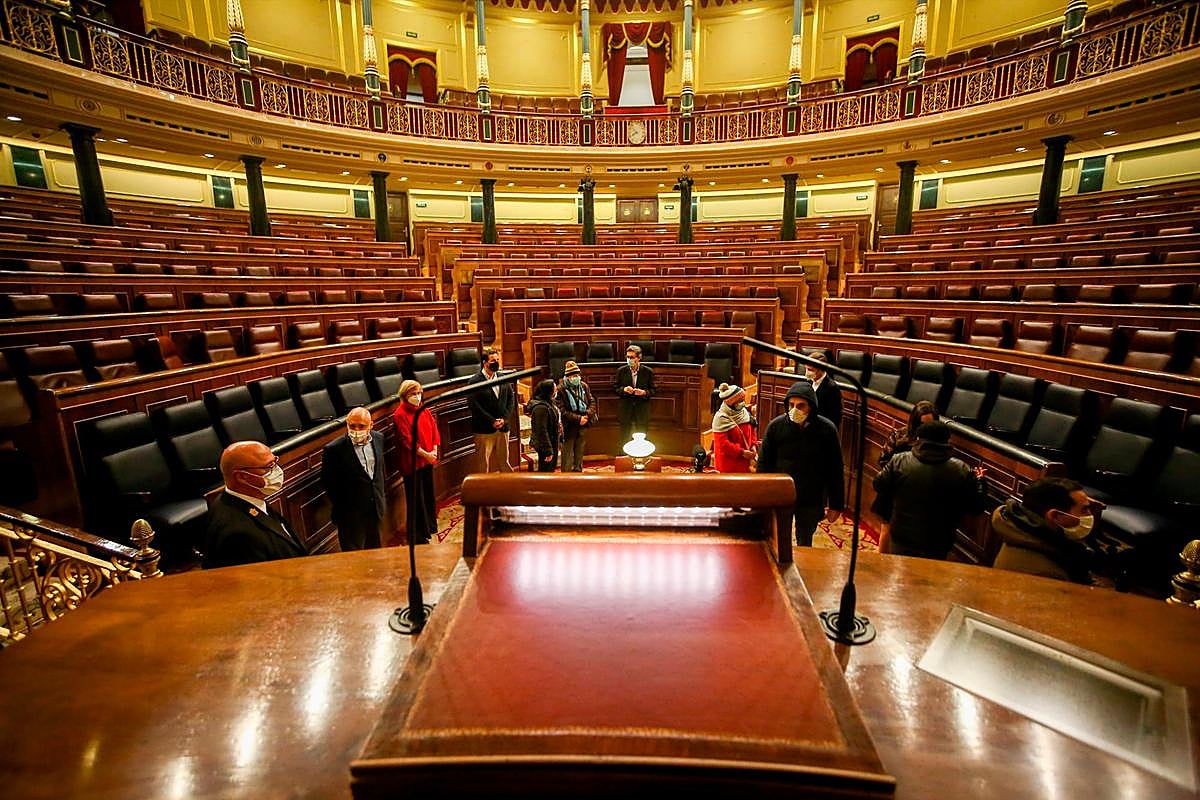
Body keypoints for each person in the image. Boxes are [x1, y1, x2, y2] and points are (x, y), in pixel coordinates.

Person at [871, 420, 987, 559]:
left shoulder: (899, 460)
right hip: (938, 542)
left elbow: (878, 484)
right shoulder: (961, 469)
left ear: (918, 439)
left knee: (900, 574)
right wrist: (980, 481)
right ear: (947, 441)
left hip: (902, 536)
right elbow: (976, 507)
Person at [757, 380, 845, 546]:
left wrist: (836, 504)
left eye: (800, 406)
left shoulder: (827, 429)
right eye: (791, 405)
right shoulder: (776, 426)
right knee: (777, 541)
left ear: (811, 406)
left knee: (805, 541)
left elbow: (835, 469)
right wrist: (762, 497)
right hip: (781, 495)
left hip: (811, 497)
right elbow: (764, 464)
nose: (794, 410)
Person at [203, 441, 306, 569]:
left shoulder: (246, 500)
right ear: (242, 477)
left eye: (275, 462)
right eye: (268, 467)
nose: (277, 470)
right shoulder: (238, 535)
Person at [991, 477, 1098, 584]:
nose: (1090, 515)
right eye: (1084, 510)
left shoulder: (1024, 531)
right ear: (1055, 516)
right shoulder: (1048, 575)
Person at [320, 407, 386, 551]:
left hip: (375, 508)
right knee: (353, 556)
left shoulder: (378, 438)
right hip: (350, 515)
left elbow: (379, 473)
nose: (356, 430)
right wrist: (345, 508)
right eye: (352, 426)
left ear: (371, 425)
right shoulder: (334, 449)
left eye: (361, 426)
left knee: (376, 550)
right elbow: (329, 483)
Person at [393, 379, 440, 545]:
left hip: (427, 459)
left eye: (419, 393)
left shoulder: (423, 408)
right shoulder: (399, 414)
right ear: (405, 395)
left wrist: (434, 448)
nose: (417, 396)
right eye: (413, 394)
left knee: (427, 495)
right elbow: (408, 440)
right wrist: (425, 454)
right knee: (416, 499)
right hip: (412, 463)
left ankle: (429, 528)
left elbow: (433, 427)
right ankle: (418, 535)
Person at [467, 346, 514, 472]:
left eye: (498, 360)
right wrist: (492, 421)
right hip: (484, 429)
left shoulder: (503, 377)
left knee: (504, 461)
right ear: (484, 363)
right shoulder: (474, 381)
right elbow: (474, 405)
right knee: (483, 463)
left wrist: (504, 419)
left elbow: (510, 399)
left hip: (503, 428)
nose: (496, 363)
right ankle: (483, 489)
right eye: (493, 361)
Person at [556, 360, 597, 472]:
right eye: (574, 376)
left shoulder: (584, 386)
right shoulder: (561, 389)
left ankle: (578, 473)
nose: (577, 378)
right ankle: (566, 478)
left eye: (578, 375)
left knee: (579, 453)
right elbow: (562, 410)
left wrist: (587, 415)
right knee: (568, 455)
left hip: (583, 425)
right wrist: (578, 419)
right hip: (569, 427)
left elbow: (592, 401)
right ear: (568, 377)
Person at [613, 344, 655, 451]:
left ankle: (642, 455)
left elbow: (653, 390)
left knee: (642, 434)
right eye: (627, 357)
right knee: (625, 435)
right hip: (626, 409)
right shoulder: (621, 371)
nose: (629, 359)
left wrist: (644, 392)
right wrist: (624, 390)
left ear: (638, 358)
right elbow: (615, 388)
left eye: (631, 357)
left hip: (641, 409)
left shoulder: (648, 372)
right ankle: (624, 458)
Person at [711, 383, 757, 473]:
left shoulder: (744, 412)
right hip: (729, 464)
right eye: (740, 400)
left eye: (743, 400)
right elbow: (723, 444)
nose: (743, 403)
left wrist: (753, 445)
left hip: (745, 461)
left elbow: (752, 429)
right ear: (731, 402)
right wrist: (741, 452)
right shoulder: (720, 418)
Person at [878, 400, 938, 467]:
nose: (926, 428)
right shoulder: (899, 435)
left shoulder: (939, 443)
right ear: (915, 423)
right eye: (922, 424)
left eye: (930, 424)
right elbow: (883, 460)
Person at [526, 379, 562, 472]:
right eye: (554, 389)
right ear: (549, 391)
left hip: (552, 441)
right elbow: (541, 430)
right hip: (544, 444)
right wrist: (548, 451)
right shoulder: (540, 408)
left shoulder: (549, 402)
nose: (556, 391)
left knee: (550, 469)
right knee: (545, 471)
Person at [804, 352, 843, 431]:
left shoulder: (832, 388)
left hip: (822, 431)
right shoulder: (808, 382)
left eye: (810, 370)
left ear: (821, 370)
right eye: (806, 368)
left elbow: (834, 418)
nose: (807, 372)